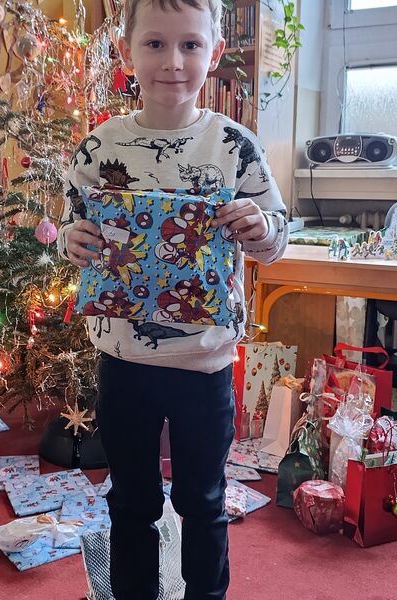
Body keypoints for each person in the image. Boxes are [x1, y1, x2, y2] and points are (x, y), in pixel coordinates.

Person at [56, 1, 288, 598]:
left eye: (190, 45)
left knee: (203, 500)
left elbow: (277, 238)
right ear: (126, 52)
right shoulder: (99, 147)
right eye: (155, 44)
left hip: (205, 365)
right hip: (124, 362)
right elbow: (74, 230)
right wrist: (69, 241)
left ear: (214, 53)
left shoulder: (234, 145)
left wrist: (261, 228)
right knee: (131, 501)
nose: (173, 62)